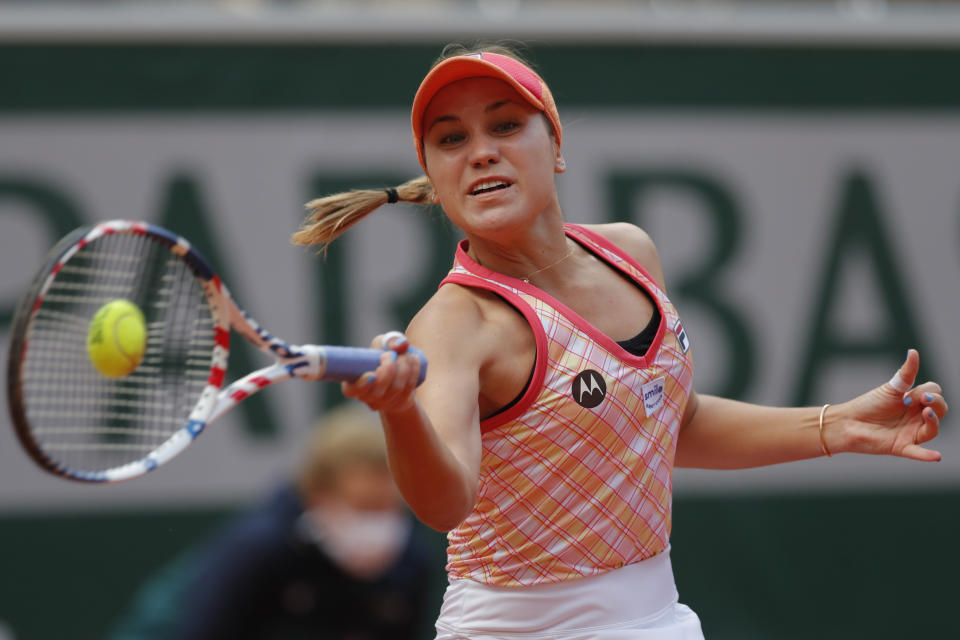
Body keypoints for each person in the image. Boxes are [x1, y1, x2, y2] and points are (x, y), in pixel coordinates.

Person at [291, 44, 948, 639]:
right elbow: (444, 503)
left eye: (506, 125)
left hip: (657, 618)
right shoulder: (457, 323)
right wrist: (400, 412)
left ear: (556, 146)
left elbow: (665, 422)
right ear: (434, 179)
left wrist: (835, 425)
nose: (481, 151)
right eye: (451, 138)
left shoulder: (628, 251)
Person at [107, 402, 437, 640]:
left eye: (392, 507)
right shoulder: (257, 549)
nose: (380, 523)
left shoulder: (411, 564)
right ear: (317, 494)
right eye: (365, 506)